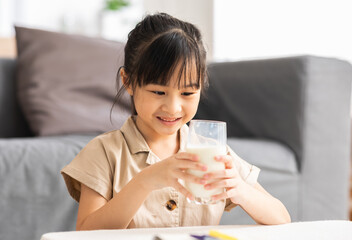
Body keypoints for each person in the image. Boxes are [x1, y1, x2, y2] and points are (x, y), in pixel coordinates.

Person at [61, 12, 291, 230]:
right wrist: (145, 182)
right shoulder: (105, 153)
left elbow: (281, 218)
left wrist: (240, 189)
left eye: (188, 93)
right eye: (159, 92)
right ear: (128, 81)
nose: (173, 108)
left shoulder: (211, 152)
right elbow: (85, 233)